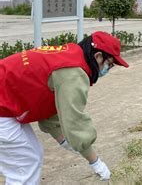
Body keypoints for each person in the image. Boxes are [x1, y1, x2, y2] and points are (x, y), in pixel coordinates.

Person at [0, 31, 129, 184]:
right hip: (4, 107)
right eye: (110, 64)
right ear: (98, 56)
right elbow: (75, 120)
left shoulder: (69, 55)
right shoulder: (74, 73)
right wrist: (95, 161)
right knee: (25, 163)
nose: (109, 68)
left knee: (30, 155)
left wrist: (63, 140)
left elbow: (49, 107)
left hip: (6, 103)